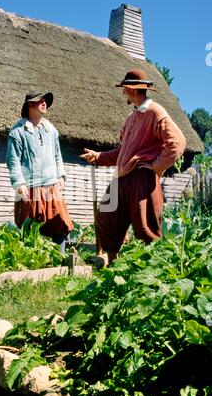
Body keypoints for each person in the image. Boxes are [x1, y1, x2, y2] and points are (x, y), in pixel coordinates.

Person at [80, 69, 186, 267]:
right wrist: (98, 156)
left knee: (145, 226)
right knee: (107, 217)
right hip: (122, 178)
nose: (123, 93)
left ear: (131, 89)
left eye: (125, 89)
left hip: (141, 179)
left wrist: (156, 166)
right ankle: (112, 263)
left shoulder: (155, 111)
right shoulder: (131, 118)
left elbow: (177, 142)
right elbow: (123, 152)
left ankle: (151, 272)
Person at [6, 91, 73, 253]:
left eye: (45, 101)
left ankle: (60, 261)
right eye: (40, 101)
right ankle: (34, 265)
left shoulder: (51, 130)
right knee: (32, 228)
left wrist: (60, 176)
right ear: (30, 105)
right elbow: (13, 160)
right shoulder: (18, 132)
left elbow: (57, 155)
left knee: (59, 223)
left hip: (51, 187)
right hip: (30, 188)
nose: (45, 104)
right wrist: (19, 183)